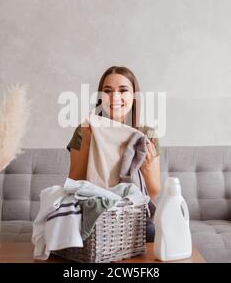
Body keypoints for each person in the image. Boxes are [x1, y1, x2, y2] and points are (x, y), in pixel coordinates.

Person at [66, 66, 161, 241]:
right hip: (94, 211)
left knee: (150, 233)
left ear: (134, 97)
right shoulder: (84, 130)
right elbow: (74, 183)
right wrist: (87, 142)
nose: (115, 97)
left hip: (132, 214)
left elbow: (153, 193)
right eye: (107, 91)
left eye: (123, 90)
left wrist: (146, 168)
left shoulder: (146, 135)